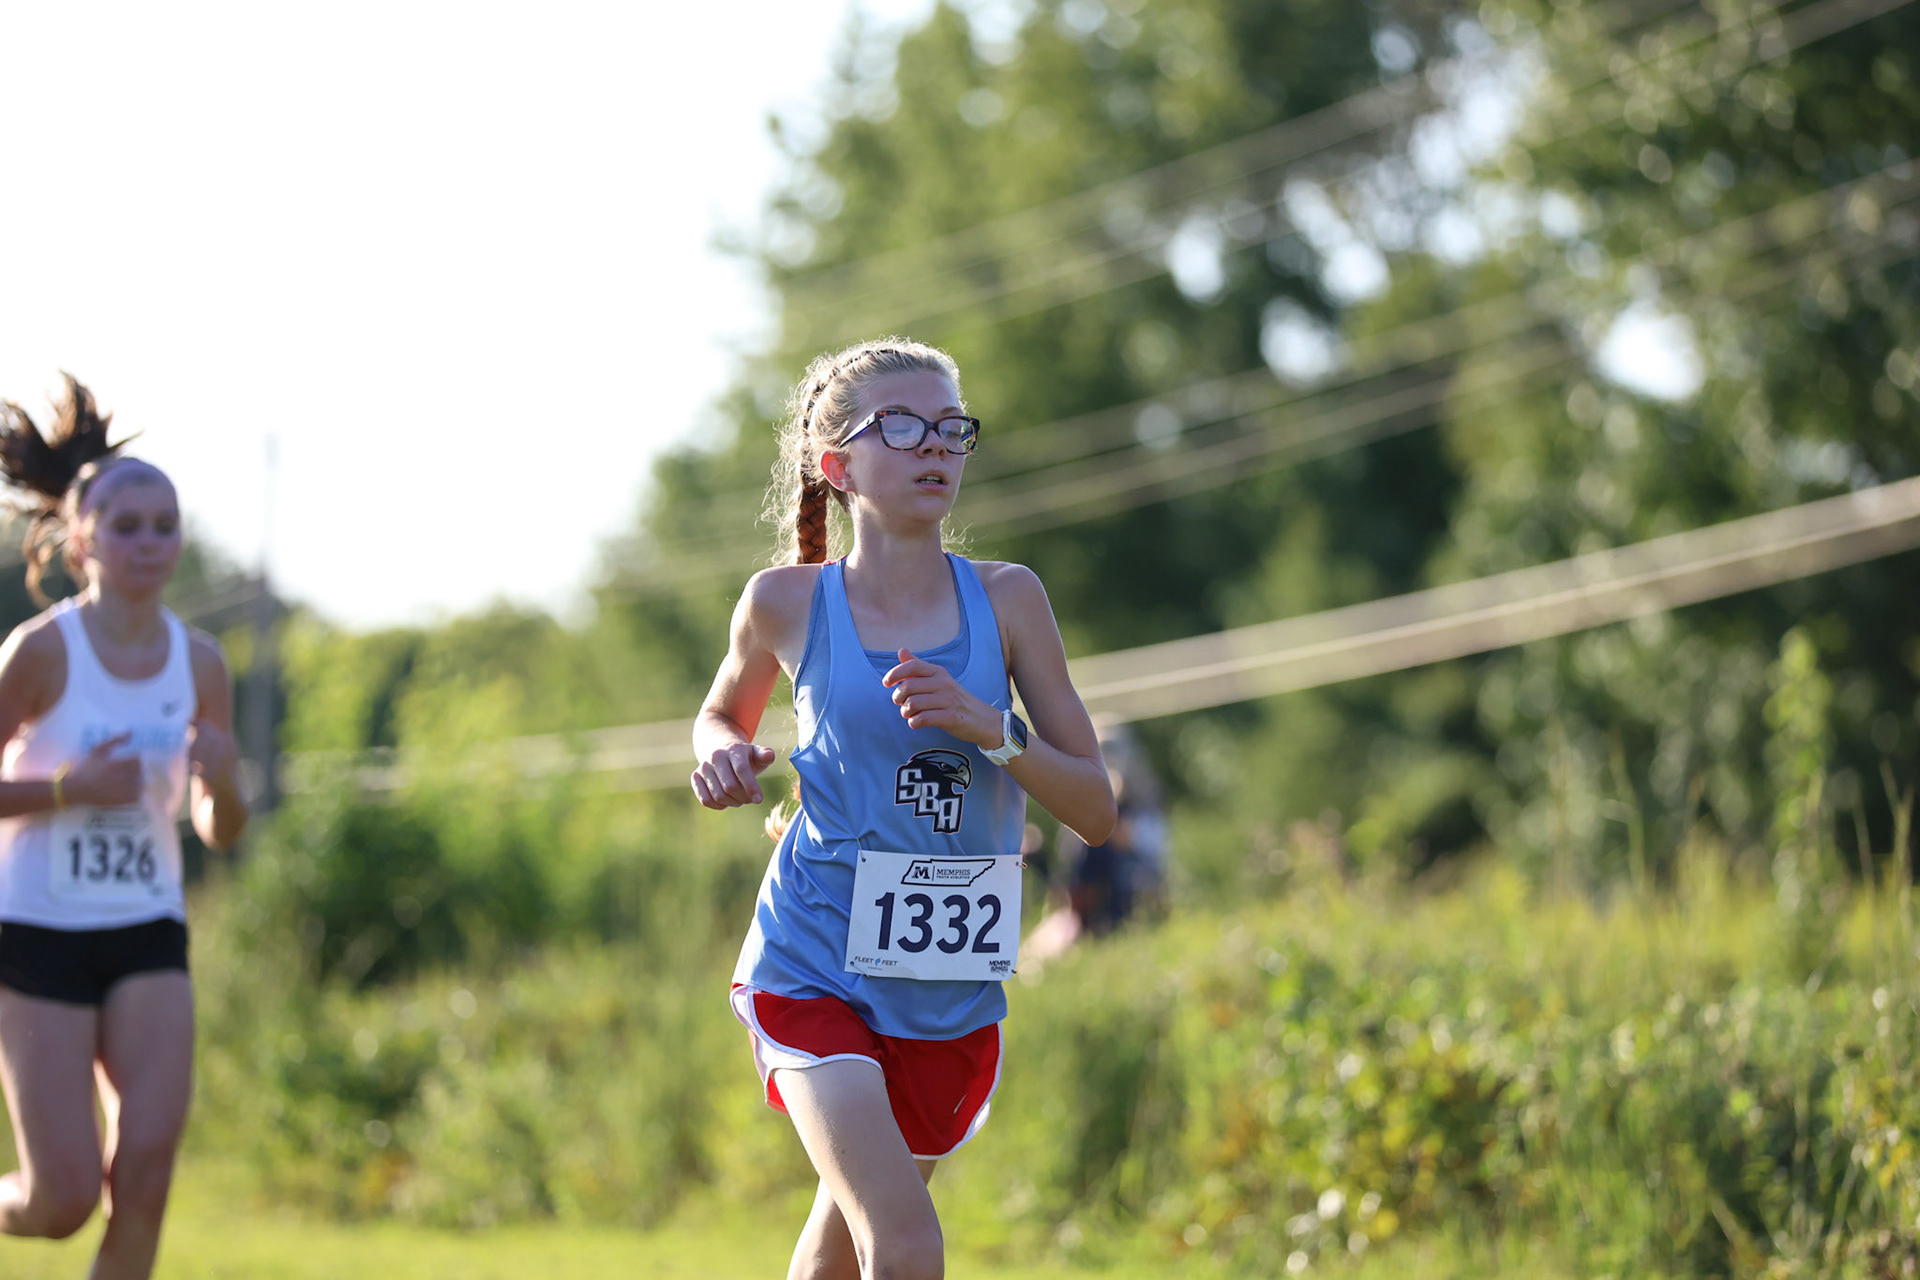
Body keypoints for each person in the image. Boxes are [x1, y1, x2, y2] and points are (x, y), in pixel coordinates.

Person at [691, 339, 1116, 1280]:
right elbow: (723, 712)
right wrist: (721, 752)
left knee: (840, 1250)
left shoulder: (1009, 600)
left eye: (951, 429)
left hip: (947, 978)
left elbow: (1095, 809)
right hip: (811, 959)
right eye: (905, 427)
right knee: (906, 1239)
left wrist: (992, 729)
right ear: (836, 464)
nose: (937, 447)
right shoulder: (783, 603)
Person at [0, 376, 248, 1279]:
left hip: (147, 927)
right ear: (81, 539)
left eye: (165, 525)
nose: (150, 542)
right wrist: (68, 788)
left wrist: (224, 785)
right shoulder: (39, 653)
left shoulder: (203, 662)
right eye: (127, 525)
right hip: (38, 931)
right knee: (60, 1200)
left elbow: (219, 830)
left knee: (143, 1174)